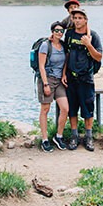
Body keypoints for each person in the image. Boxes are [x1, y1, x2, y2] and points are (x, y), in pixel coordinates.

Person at [62, 8, 102, 151]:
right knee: (72, 109)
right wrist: (63, 73)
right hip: (71, 78)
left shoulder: (93, 36)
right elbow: (66, 54)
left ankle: (88, 137)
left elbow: (98, 57)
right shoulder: (70, 34)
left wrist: (88, 44)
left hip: (86, 78)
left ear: (86, 20)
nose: (77, 20)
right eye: (75, 18)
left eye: (80, 18)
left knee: (88, 109)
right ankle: (74, 136)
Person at [37, 21, 70, 152]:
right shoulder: (46, 46)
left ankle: (58, 136)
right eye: (56, 30)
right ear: (52, 31)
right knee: (45, 109)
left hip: (59, 81)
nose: (59, 33)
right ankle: (45, 139)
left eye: (61, 31)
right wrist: (45, 84)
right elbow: (41, 66)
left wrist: (63, 75)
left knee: (65, 108)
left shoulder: (63, 46)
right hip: (47, 80)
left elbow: (65, 62)